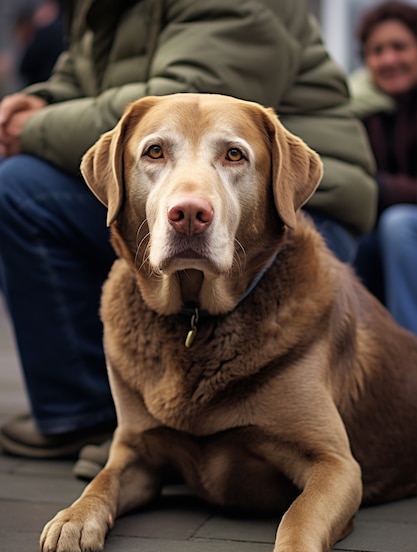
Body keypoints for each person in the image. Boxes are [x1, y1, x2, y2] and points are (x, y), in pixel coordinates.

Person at [0, 0, 376, 478]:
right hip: (179, 185)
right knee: (19, 187)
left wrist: (33, 127)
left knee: (23, 188)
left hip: (292, 209)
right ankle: (87, 417)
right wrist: (41, 102)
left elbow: (181, 99)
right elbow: (79, 79)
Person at [350, 1, 417, 333]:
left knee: (399, 224)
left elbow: (365, 183)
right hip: (378, 227)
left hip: (403, 224)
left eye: (399, 47)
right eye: (377, 51)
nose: (389, 59)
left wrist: (381, 188)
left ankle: (409, 348)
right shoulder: (356, 109)